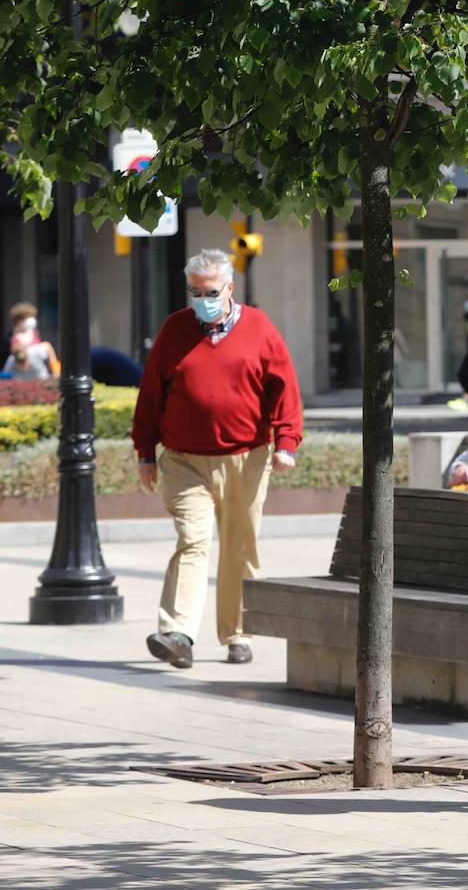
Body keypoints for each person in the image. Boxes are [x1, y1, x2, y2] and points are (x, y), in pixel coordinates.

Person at [132, 249, 303, 670]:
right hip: (184, 459)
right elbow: (151, 395)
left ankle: (238, 633)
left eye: (209, 291)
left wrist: (286, 443)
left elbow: (285, 389)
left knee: (239, 546)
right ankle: (178, 634)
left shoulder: (260, 328)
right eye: (194, 290)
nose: (201, 298)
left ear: (228, 289)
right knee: (192, 540)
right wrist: (145, 453)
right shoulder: (175, 329)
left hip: (245, 457)